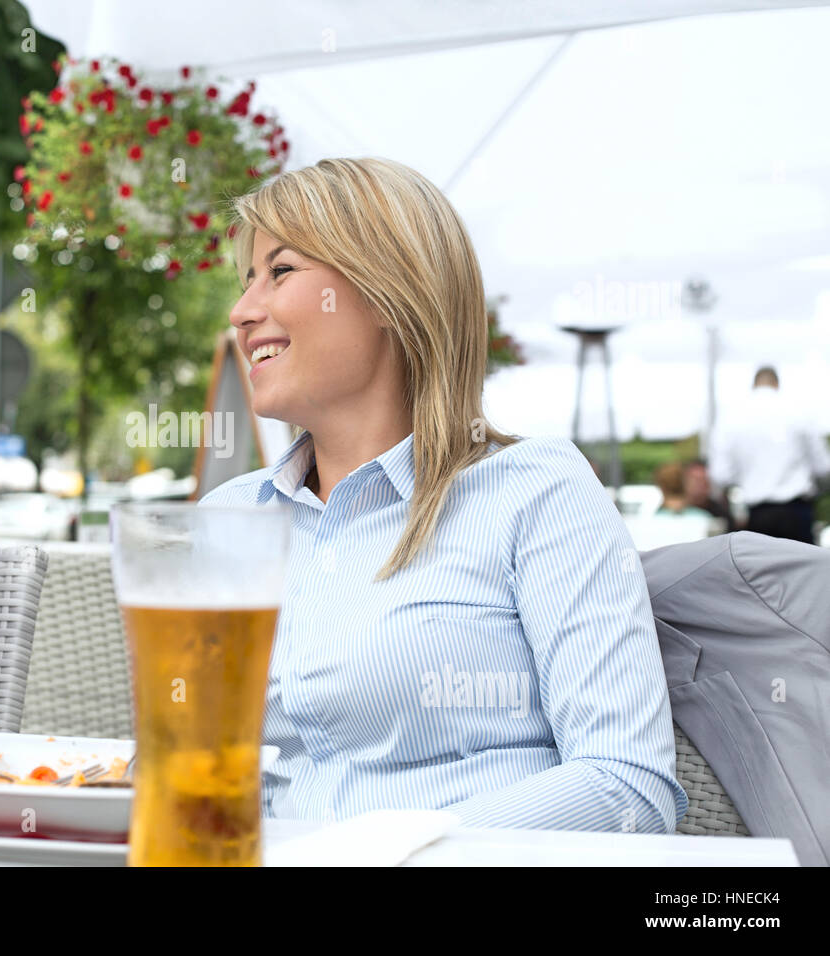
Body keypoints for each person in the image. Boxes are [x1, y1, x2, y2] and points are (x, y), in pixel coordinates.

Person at [202, 158, 687, 832]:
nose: (242, 310)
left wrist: (397, 848)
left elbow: (627, 785)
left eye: (280, 272)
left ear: (388, 292)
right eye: (247, 279)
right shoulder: (224, 519)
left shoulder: (535, 493)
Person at [709, 366, 830, 544]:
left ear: (754, 385)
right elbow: (823, 468)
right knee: (800, 570)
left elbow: (721, 475)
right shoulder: (799, 411)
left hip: (756, 516)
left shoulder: (732, 416)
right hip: (797, 512)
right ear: (776, 383)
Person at [682, 458, 735, 531]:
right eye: (696, 480)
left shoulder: (721, 514)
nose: (701, 484)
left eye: (704, 479)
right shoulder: (673, 512)